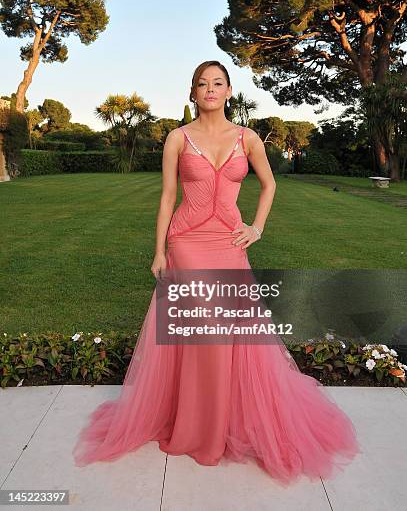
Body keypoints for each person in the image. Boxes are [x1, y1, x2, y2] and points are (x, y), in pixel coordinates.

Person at [72, 60, 362, 486]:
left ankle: (225, 418)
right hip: (187, 243)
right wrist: (159, 251)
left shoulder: (247, 139)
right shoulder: (177, 138)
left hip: (229, 244)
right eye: (202, 83)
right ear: (193, 92)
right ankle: (196, 425)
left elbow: (270, 185)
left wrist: (256, 227)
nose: (210, 89)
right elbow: (168, 196)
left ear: (229, 91)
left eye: (218, 83)